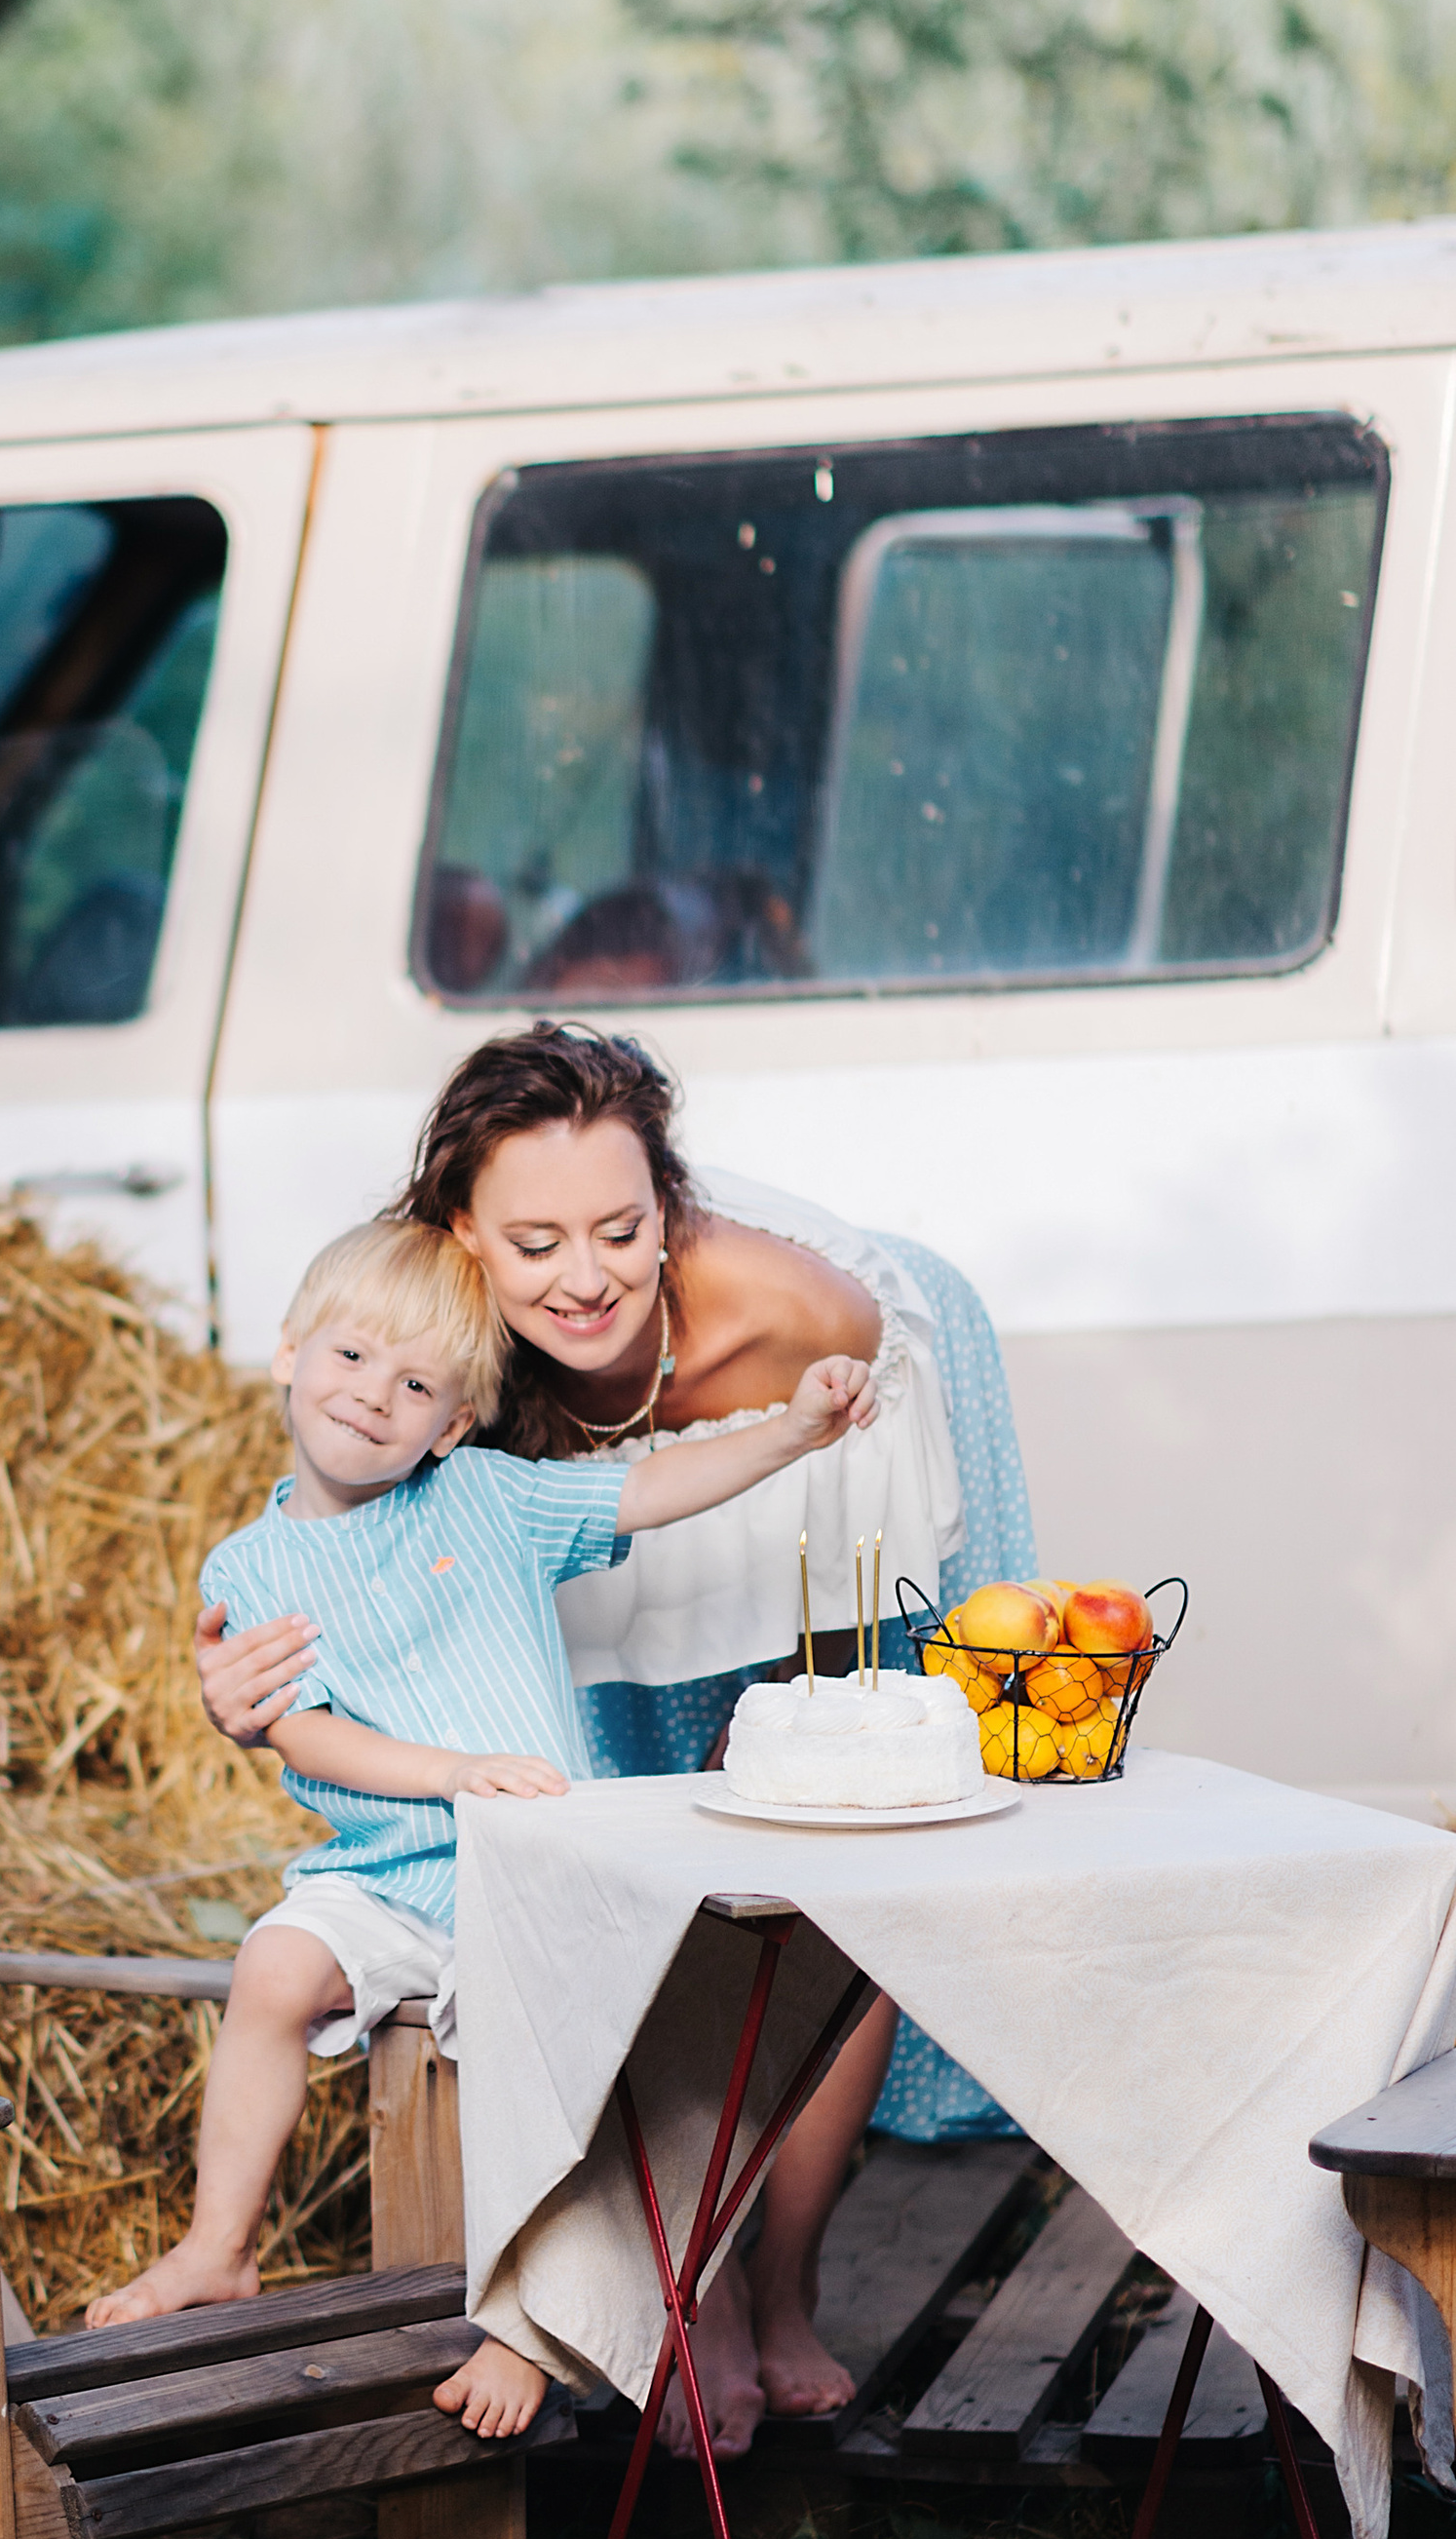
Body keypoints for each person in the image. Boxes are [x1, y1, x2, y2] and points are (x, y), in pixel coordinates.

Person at [196, 1020, 1037, 2456]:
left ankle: (783, 2279)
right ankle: (690, 2290)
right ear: (461, 1238)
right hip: (577, 1532)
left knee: (818, 1883)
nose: (583, 1277)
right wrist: (242, 1700)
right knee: (628, 1899)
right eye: (533, 1244)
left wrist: (797, 1469)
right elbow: (349, 1590)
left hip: (810, 1450)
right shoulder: (423, 1359)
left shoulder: (806, 1316)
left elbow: (780, 1507)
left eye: (621, 1231)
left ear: (668, 1210)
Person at [87, 1212, 877, 2440]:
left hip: (532, 1883)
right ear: (289, 1351)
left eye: (415, 1385)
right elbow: (303, 1733)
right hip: (384, 1871)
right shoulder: (248, 1567)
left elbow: (649, 1488)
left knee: (557, 2069)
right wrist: (451, 1772)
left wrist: (791, 1431)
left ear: (453, 1423)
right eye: (351, 1356)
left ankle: (523, 2326)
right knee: (273, 1966)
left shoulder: (487, 1499)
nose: (372, 1395)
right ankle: (218, 2245)